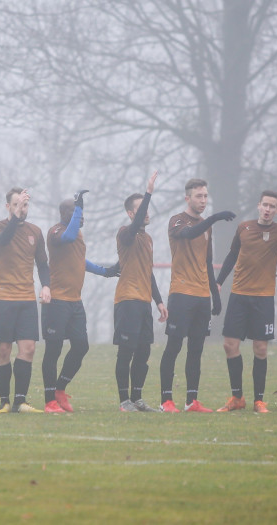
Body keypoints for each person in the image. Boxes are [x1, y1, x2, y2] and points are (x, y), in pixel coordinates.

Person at [215, 181, 277, 413]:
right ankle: (237, 398)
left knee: (260, 348)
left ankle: (259, 400)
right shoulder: (244, 228)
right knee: (230, 345)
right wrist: (218, 282)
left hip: (263, 298)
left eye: (272, 206)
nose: (268, 209)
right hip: (238, 295)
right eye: (265, 205)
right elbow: (231, 256)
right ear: (259, 206)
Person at [159, 178, 235, 413]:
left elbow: (208, 262)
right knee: (173, 347)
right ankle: (166, 401)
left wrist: (216, 295)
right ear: (187, 198)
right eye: (198, 196)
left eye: (205, 196)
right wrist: (213, 217)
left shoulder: (206, 226)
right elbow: (190, 233)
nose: (203, 200)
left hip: (202, 296)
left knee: (196, 350)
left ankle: (191, 401)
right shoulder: (177, 221)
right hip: (181, 294)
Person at [42, 191, 120, 413]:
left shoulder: (78, 236)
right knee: (53, 350)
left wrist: (105, 272)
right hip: (56, 301)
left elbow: (80, 260)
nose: (80, 216)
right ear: (63, 213)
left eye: (81, 212)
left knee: (81, 346)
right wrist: (78, 209)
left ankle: (59, 390)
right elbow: (67, 236)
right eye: (75, 211)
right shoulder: (56, 232)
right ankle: (49, 402)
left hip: (75, 302)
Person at [0, 187, 50, 414]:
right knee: (3, 350)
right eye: (16, 204)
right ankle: (4, 401)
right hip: (2, 298)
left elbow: (43, 264)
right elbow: (3, 241)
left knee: (29, 348)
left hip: (26, 299)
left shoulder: (35, 231)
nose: (21, 209)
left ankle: (20, 401)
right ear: (8, 207)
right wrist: (14, 216)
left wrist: (45, 285)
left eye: (24, 205)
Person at [114, 171, 167, 412]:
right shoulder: (125, 233)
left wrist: (159, 302)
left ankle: (137, 398)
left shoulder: (148, 240)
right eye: (141, 208)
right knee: (127, 351)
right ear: (130, 213)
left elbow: (149, 272)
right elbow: (135, 226)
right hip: (127, 300)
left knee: (144, 352)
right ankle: (124, 401)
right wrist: (148, 192)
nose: (147, 212)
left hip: (144, 301)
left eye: (147, 207)